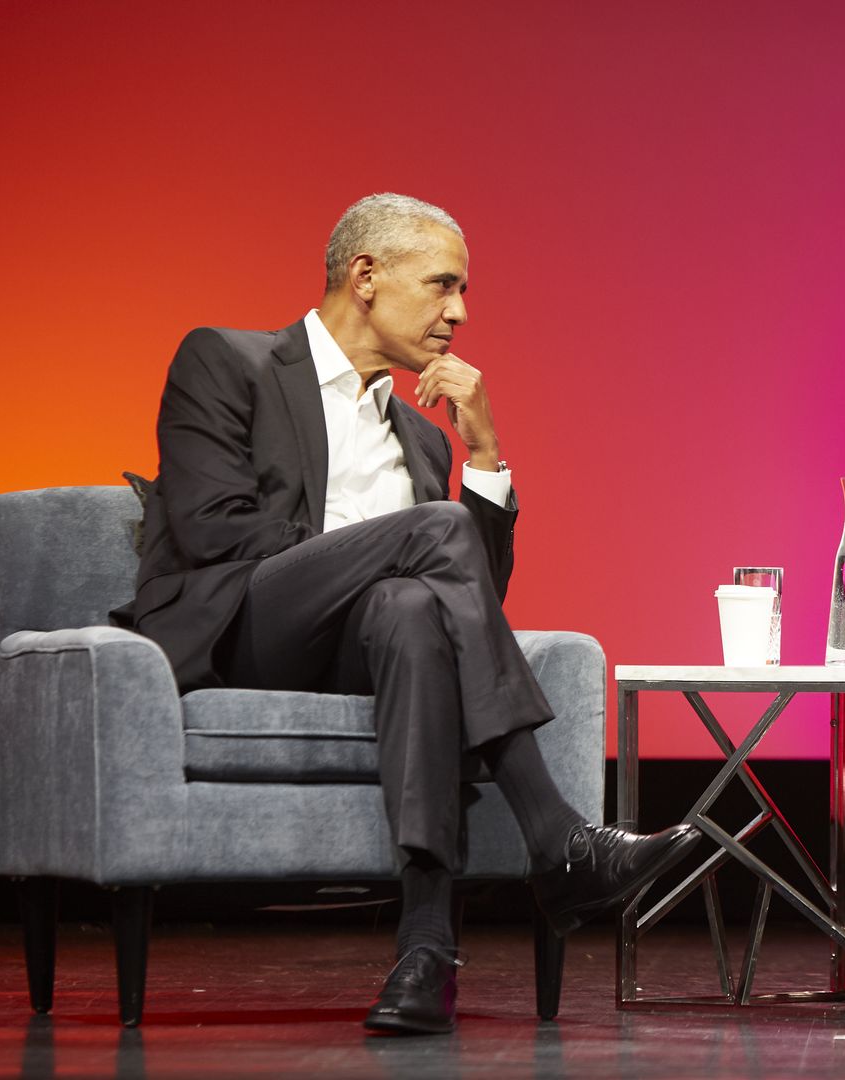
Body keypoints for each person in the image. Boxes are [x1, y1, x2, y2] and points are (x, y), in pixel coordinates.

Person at [114, 193, 699, 1035]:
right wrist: (377, 543)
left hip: (372, 646)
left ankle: (427, 953)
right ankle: (557, 835)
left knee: (414, 614)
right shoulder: (227, 361)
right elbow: (212, 530)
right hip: (244, 626)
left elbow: (475, 606)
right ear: (365, 277)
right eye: (443, 286)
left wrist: (486, 456)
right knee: (423, 545)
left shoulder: (422, 440)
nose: (459, 313)